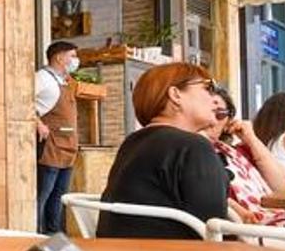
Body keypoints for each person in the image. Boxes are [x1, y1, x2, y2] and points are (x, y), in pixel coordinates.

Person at [96, 62, 228, 239]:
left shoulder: (133, 142)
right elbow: (215, 229)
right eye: (208, 88)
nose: (215, 98)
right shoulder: (192, 146)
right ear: (175, 95)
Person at [203, 85, 285, 225]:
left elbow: (282, 187)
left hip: (274, 226)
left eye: (220, 114)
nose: (211, 120)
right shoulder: (191, 153)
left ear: (228, 121)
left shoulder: (240, 152)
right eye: (205, 112)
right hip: (240, 233)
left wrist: (251, 138)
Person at [35, 40, 80, 233]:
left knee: (59, 196)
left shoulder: (64, 80)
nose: (76, 60)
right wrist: (37, 123)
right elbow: (21, 101)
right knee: (43, 195)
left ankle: (53, 233)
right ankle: (34, 233)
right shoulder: (42, 78)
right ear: (59, 57)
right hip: (51, 147)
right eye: (72, 56)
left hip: (68, 148)